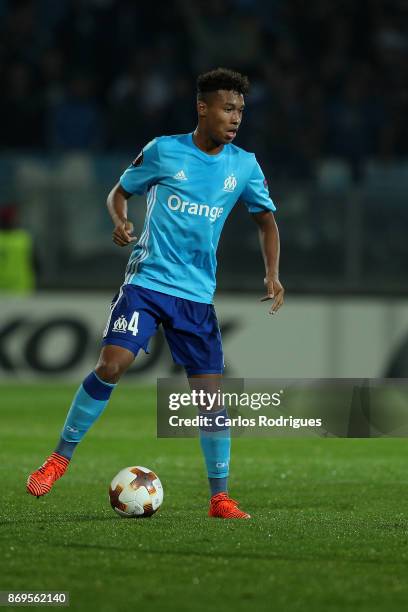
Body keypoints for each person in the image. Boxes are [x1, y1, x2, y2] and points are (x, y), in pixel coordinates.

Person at [27, 68, 284, 519]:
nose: (235, 117)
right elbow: (119, 193)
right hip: (147, 283)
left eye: (241, 110)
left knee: (209, 400)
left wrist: (273, 275)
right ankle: (58, 459)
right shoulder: (165, 150)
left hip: (196, 296)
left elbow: (266, 221)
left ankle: (219, 498)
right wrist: (120, 220)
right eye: (228, 108)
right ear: (202, 108)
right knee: (111, 365)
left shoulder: (244, 165)